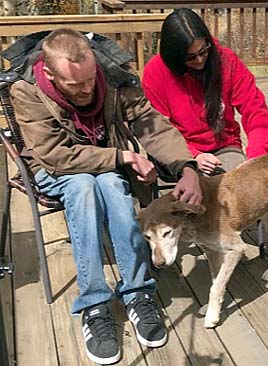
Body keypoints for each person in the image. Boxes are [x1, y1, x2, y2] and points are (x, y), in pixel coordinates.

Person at [7, 28, 202, 365]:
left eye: (89, 79)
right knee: (83, 186)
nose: (86, 90)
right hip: (54, 168)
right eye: (75, 85)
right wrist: (123, 157)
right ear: (50, 74)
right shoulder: (26, 89)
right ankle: (95, 304)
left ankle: (137, 291)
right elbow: (55, 155)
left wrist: (186, 166)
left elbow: (148, 121)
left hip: (104, 167)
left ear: (94, 62)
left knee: (109, 185)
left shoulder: (111, 75)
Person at [142, 8, 268, 175]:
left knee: (242, 184)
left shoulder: (226, 60)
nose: (200, 60)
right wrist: (194, 155)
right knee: (199, 188)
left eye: (203, 51)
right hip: (178, 150)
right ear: (174, 57)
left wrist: (256, 157)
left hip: (224, 146)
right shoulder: (155, 72)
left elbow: (255, 110)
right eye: (190, 57)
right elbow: (159, 129)